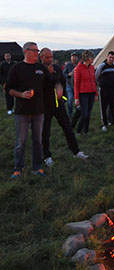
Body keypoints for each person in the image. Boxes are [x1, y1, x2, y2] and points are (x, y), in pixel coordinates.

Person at [5, 42, 62, 178]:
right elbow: (8, 89)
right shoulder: (16, 68)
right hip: (22, 111)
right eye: (35, 50)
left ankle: (37, 168)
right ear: (26, 51)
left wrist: (58, 86)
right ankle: (18, 168)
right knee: (21, 142)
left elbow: (51, 82)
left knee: (38, 141)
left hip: (38, 110)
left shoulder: (40, 68)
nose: (37, 53)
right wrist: (21, 94)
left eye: (37, 50)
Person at [39, 48, 88, 167]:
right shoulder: (38, 70)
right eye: (47, 57)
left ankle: (76, 151)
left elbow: (61, 82)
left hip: (58, 104)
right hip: (45, 106)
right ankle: (47, 156)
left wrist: (63, 97)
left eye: (51, 57)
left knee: (68, 128)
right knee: (45, 132)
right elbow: (43, 85)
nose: (50, 59)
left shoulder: (56, 68)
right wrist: (50, 75)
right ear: (41, 57)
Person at [74, 50, 98, 135]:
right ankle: (79, 130)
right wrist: (76, 98)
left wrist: (95, 94)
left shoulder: (91, 67)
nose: (93, 59)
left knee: (88, 113)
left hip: (91, 92)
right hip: (83, 93)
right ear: (87, 58)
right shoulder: (78, 68)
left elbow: (94, 81)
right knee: (85, 114)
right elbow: (76, 84)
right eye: (92, 57)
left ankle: (86, 131)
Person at [95, 51, 114, 131]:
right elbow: (96, 76)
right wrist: (100, 84)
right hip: (104, 89)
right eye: (110, 57)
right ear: (107, 57)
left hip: (113, 89)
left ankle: (113, 122)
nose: (111, 59)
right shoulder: (102, 66)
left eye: (113, 58)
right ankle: (104, 124)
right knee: (104, 107)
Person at [63, 52, 78, 117]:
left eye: (75, 57)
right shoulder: (68, 65)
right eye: (73, 57)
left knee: (78, 100)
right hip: (69, 85)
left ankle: (78, 114)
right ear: (71, 58)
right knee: (70, 99)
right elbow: (63, 74)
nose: (74, 58)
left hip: (77, 85)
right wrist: (68, 74)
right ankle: (70, 114)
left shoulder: (79, 65)